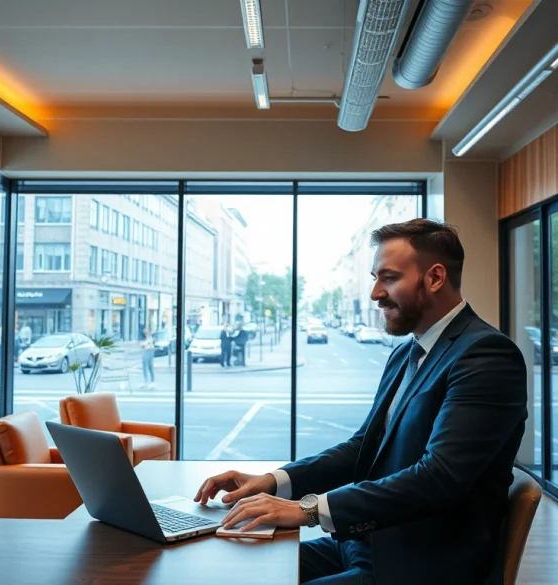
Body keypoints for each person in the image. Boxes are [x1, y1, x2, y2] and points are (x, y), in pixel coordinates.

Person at [194, 219, 528, 585]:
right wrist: (273, 482)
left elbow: (439, 479)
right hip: (363, 542)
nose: (374, 293)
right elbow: (362, 448)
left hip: (418, 566)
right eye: (375, 277)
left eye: (389, 278)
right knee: (230, 570)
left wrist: (306, 511)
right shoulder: (406, 354)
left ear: (434, 278)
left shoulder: (486, 355)